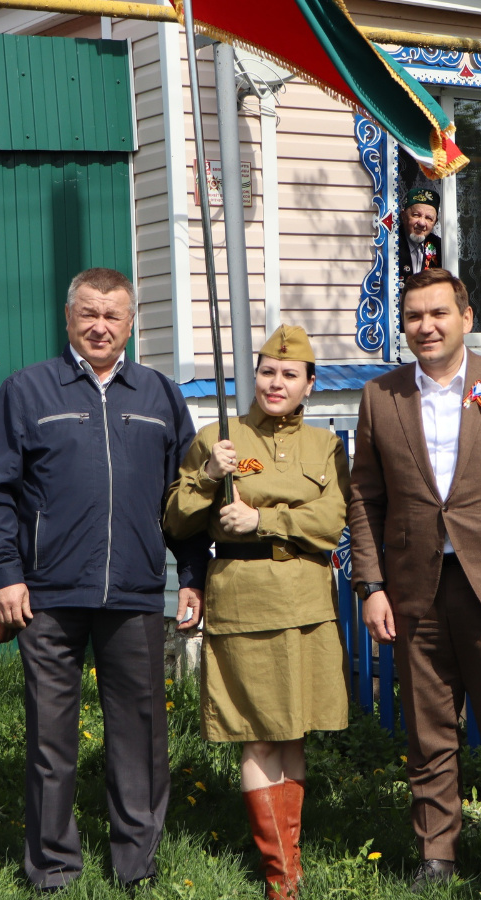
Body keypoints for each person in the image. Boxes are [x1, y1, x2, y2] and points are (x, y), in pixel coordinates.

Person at [0, 267, 210, 893]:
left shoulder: (158, 395)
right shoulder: (28, 390)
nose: (100, 326)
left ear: (131, 323)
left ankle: (136, 863)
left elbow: (182, 499)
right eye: (88, 314)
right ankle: (51, 867)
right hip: (46, 594)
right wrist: (4, 576)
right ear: (68, 318)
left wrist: (190, 575)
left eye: (113, 315)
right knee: (51, 735)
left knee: (142, 731)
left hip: (134, 592)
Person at [348, 267, 481, 899]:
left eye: (439, 313)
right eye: (414, 316)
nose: (426, 326)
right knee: (427, 732)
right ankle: (436, 854)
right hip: (414, 589)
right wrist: (372, 587)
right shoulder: (380, 397)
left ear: (466, 318)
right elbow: (365, 500)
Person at [164, 325, 350, 900]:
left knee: (295, 733)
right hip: (245, 597)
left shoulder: (326, 446)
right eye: (267, 371)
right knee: (262, 738)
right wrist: (209, 475)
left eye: (289, 374)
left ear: (309, 385)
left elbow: (333, 520)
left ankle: (288, 863)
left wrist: (266, 519)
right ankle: (280, 879)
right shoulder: (220, 437)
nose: (276, 382)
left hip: (309, 600)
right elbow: (175, 518)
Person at [397, 188, 443, 286]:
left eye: (428, 218)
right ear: (404, 216)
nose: (422, 223)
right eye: (416, 215)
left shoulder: (440, 247)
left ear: (435, 222)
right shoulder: (392, 242)